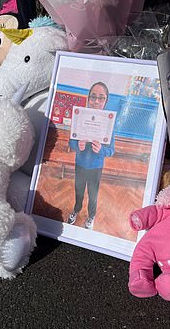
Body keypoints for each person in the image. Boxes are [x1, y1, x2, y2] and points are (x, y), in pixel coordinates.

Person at [67, 82, 115, 230]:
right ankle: (76, 210)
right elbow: (71, 141)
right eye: (93, 97)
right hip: (80, 164)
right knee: (79, 190)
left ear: (106, 101)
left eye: (101, 98)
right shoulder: (80, 118)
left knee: (93, 194)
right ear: (88, 98)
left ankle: (91, 216)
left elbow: (111, 150)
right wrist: (77, 146)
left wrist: (101, 149)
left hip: (96, 167)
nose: (96, 101)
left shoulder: (109, 123)